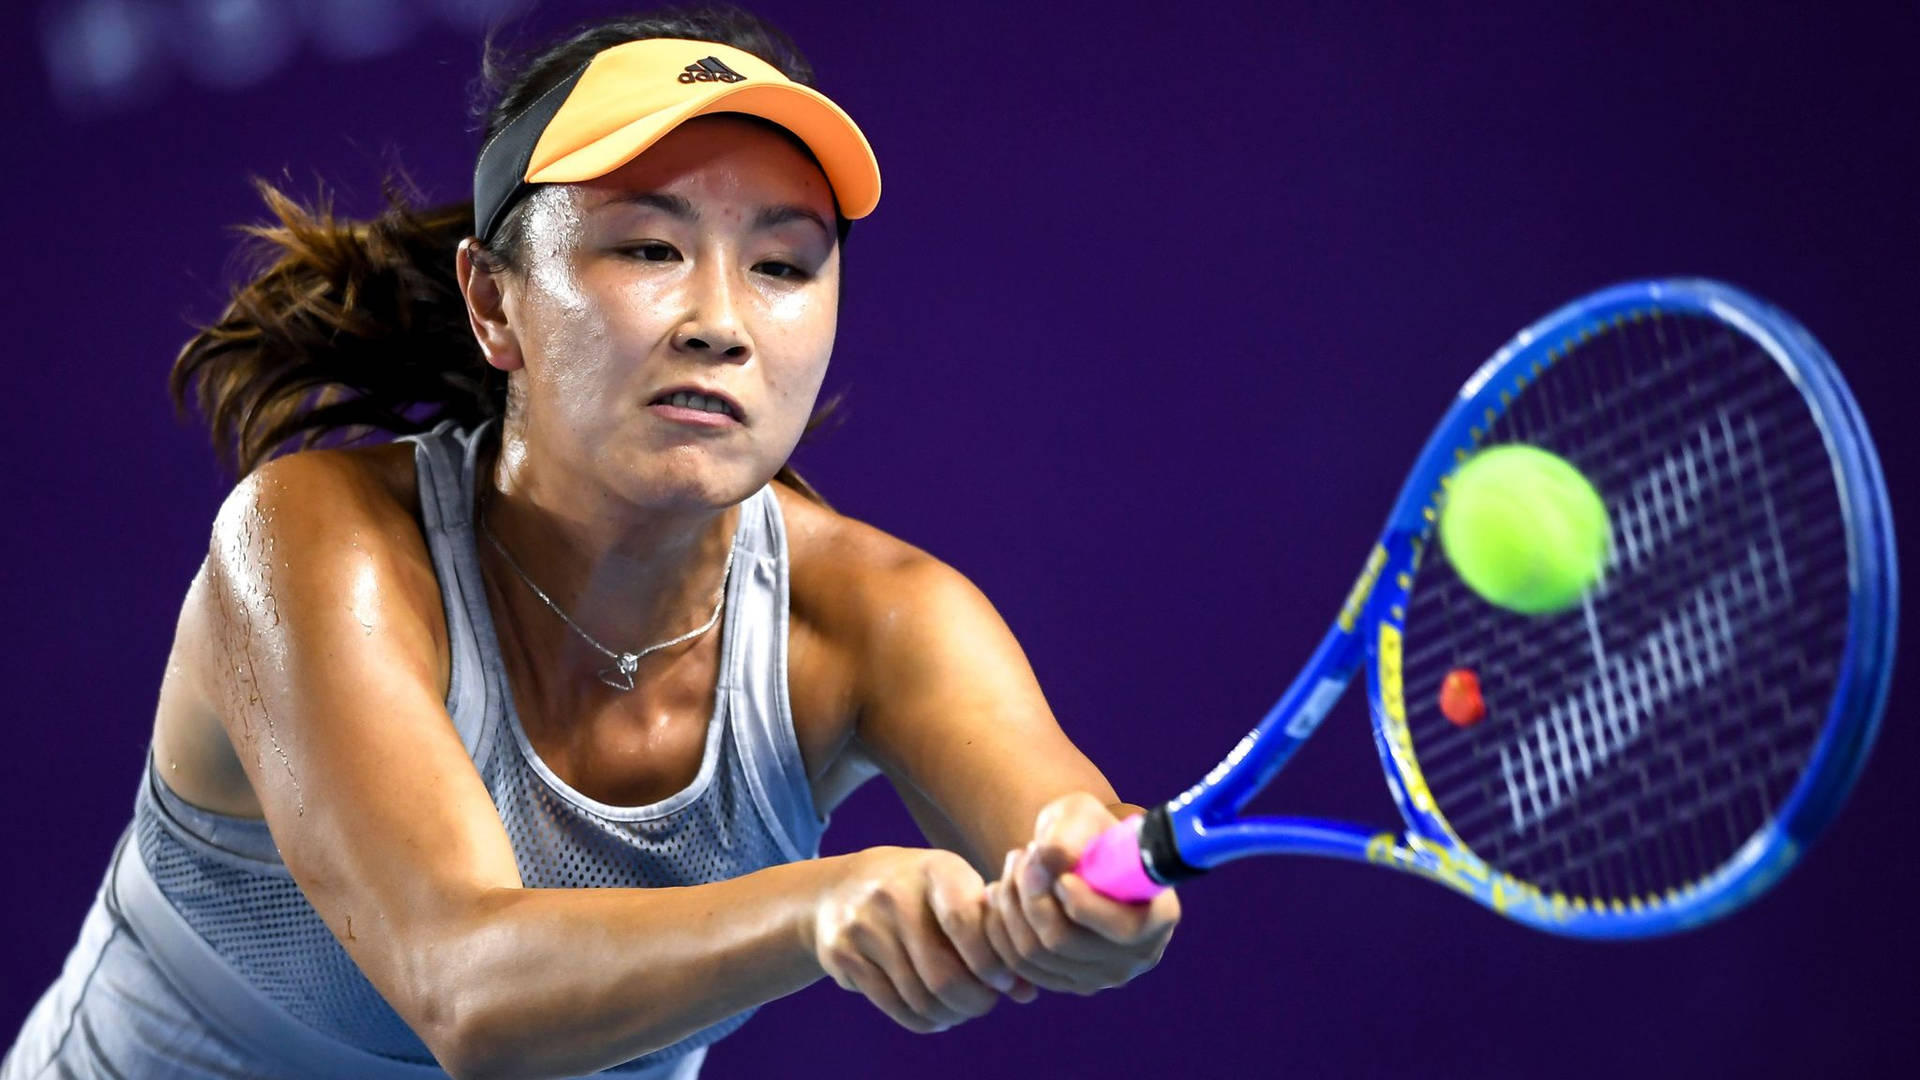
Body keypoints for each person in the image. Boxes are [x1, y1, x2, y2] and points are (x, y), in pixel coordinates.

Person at [2, 7, 1179, 1079]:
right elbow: (466, 989)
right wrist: (823, 906)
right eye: (647, 249)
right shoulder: (316, 545)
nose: (720, 322)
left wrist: (1086, 897)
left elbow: (1068, 831)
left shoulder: (881, 618)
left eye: (781, 266)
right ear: (494, 301)